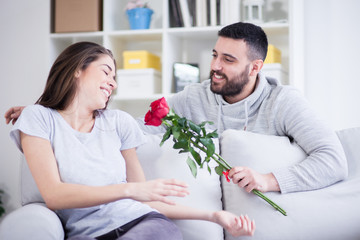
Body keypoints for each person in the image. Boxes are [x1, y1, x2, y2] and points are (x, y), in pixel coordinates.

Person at [6, 22, 347, 196]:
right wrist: (56, 112)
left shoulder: (284, 102)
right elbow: (134, 128)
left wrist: (269, 180)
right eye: (214, 54)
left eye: (228, 60)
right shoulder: (195, 97)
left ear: (256, 68)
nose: (215, 66)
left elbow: (333, 159)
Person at [6, 42, 255, 239]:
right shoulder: (37, 119)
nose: (112, 83)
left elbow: (144, 197)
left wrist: (214, 215)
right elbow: (54, 195)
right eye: (106, 72)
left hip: (145, 225)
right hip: (86, 233)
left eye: (114, 78)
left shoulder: (118, 122)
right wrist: (129, 189)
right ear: (76, 69)